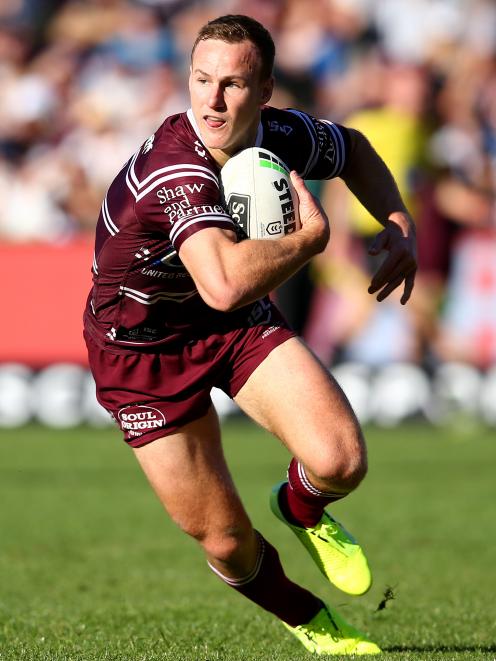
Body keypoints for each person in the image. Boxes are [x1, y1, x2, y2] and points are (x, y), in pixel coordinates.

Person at [83, 14, 417, 656]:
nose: (211, 100)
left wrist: (398, 222)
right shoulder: (174, 169)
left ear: (265, 92)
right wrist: (310, 240)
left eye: (232, 84)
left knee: (339, 460)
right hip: (141, 350)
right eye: (201, 79)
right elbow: (225, 284)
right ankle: (308, 616)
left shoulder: (280, 133)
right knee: (227, 541)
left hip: (230, 328)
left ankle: (299, 507)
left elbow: (355, 149)